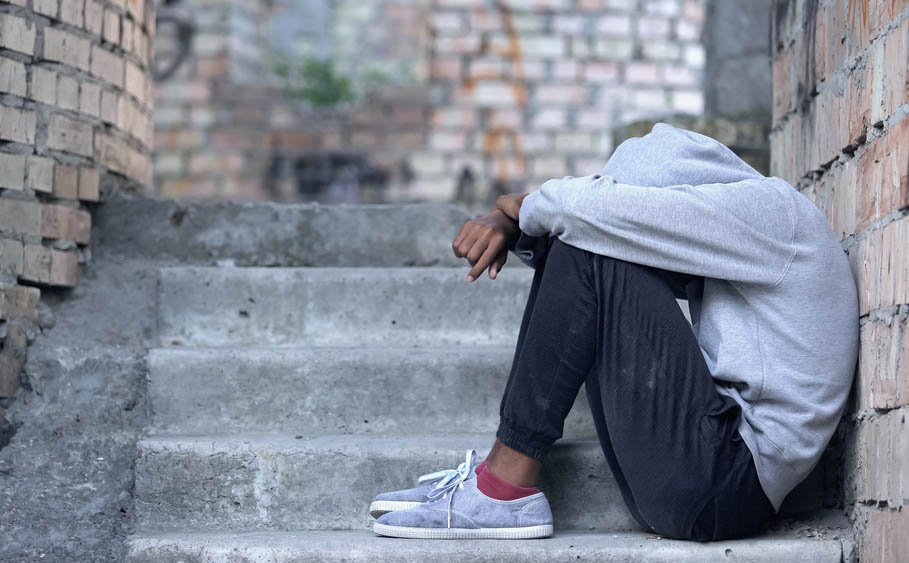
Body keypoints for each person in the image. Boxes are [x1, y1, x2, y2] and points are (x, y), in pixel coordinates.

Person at [369, 123, 859, 541]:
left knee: (592, 243)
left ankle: (504, 488)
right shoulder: (737, 232)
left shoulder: (771, 212)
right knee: (590, 241)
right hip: (702, 474)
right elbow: (584, 238)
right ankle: (497, 484)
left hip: (726, 481)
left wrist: (511, 209)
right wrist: (519, 228)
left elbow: (587, 214)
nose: (628, 207)